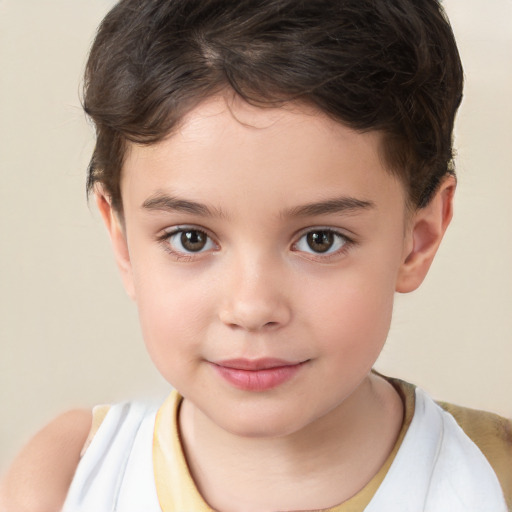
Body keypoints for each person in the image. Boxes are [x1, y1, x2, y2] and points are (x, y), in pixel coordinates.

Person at [1, 0, 511, 510]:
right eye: (191, 239)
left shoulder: (495, 477)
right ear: (123, 241)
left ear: (417, 240)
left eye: (320, 240)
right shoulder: (67, 476)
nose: (251, 308)